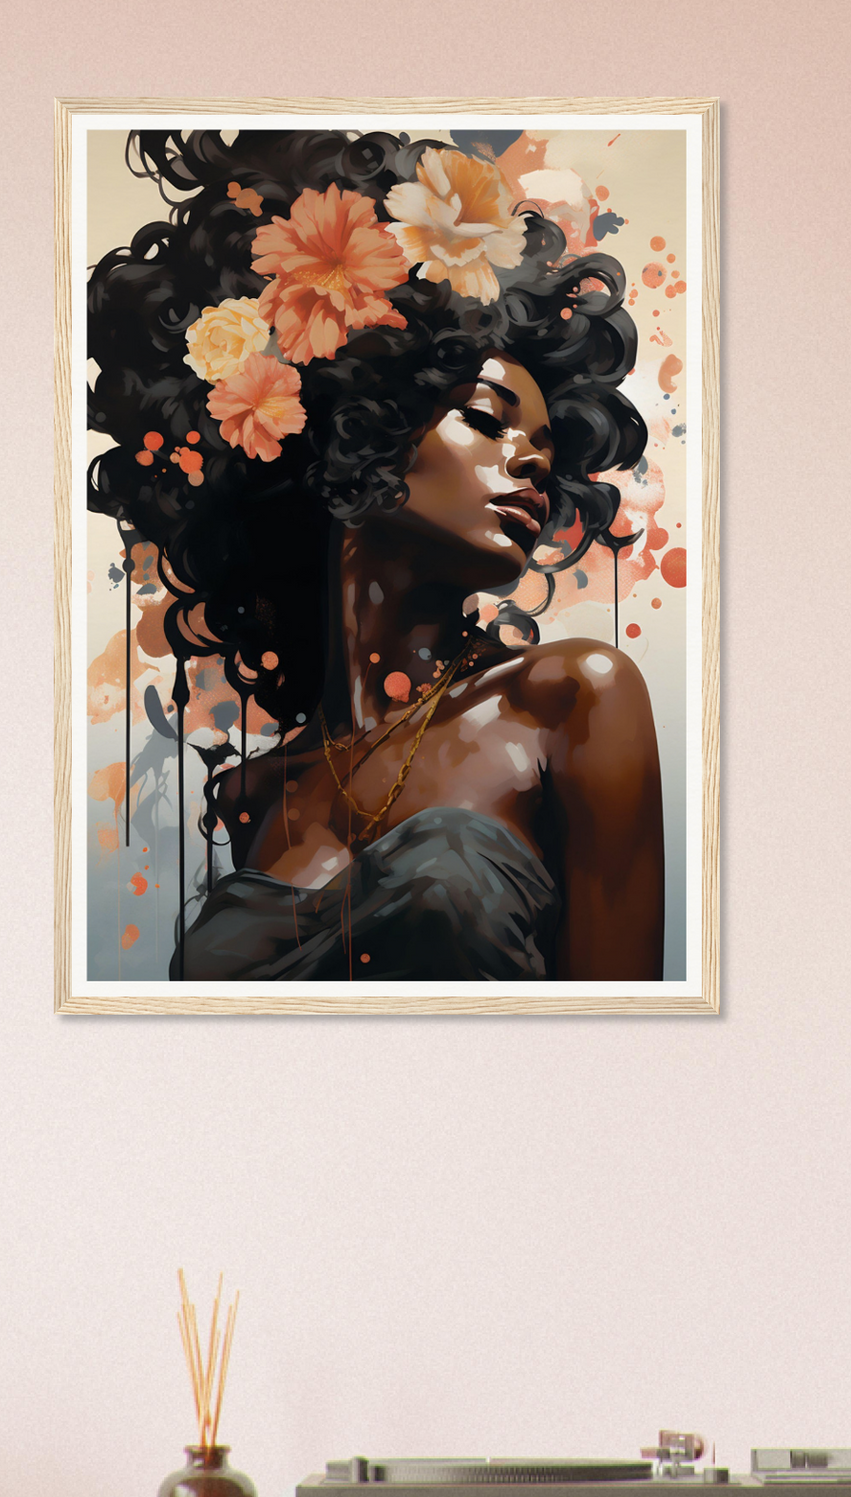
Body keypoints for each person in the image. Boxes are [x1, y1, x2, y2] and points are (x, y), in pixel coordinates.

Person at [81, 130, 662, 980]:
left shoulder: (570, 701)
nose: (534, 461)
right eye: (491, 420)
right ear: (359, 423)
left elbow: (628, 1053)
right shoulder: (254, 794)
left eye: (546, 444)